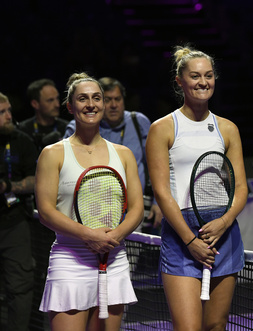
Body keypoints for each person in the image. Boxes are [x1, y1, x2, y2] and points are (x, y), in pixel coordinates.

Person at [145, 45, 247, 331]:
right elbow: (162, 193)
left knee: (216, 325)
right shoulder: (163, 128)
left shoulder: (227, 128)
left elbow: (240, 190)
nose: (203, 82)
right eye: (195, 76)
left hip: (222, 231)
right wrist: (190, 240)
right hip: (181, 234)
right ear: (180, 81)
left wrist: (224, 222)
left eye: (209, 75)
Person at [35, 72, 143, 330]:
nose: (91, 104)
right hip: (70, 260)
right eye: (83, 99)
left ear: (104, 104)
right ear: (70, 106)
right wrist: (89, 235)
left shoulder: (124, 154)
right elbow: (46, 211)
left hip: (113, 259)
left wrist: (113, 237)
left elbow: (137, 208)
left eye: (97, 98)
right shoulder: (52, 154)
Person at [63, 77, 162, 232]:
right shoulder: (79, 127)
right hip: (92, 208)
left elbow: (156, 165)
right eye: (108, 100)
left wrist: (158, 202)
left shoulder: (138, 122)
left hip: (135, 209)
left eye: (118, 99)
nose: (114, 105)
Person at [0, 92, 37, 331]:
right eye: (2, 113)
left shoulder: (22, 141)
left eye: (9, 110)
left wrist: (9, 186)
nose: (9, 116)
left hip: (13, 224)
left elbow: (37, 180)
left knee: (20, 289)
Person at [18, 78, 69, 153]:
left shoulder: (67, 128)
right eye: (50, 100)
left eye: (57, 98)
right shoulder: (23, 131)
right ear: (35, 104)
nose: (57, 105)